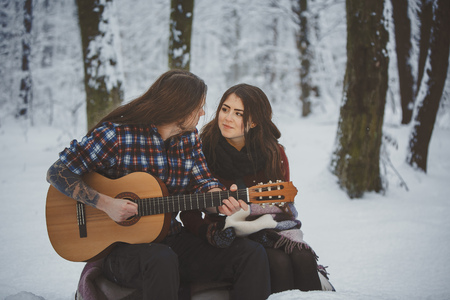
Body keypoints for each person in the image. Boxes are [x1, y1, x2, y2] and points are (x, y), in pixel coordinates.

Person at [46, 70, 271, 300]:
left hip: (171, 239)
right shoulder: (117, 135)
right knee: (162, 259)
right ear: (179, 107)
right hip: (120, 251)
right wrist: (105, 204)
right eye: (198, 107)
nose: (203, 113)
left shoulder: (188, 138)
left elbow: (204, 182)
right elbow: (58, 172)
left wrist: (219, 200)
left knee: (250, 254)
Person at [181, 83, 335, 294]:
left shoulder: (273, 153)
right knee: (277, 262)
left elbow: (284, 207)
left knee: (303, 257)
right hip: (225, 235)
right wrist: (209, 231)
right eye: (225, 109)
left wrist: (261, 220)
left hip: (268, 230)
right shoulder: (202, 151)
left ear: (253, 121)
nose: (227, 118)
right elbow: (188, 212)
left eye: (238, 114)